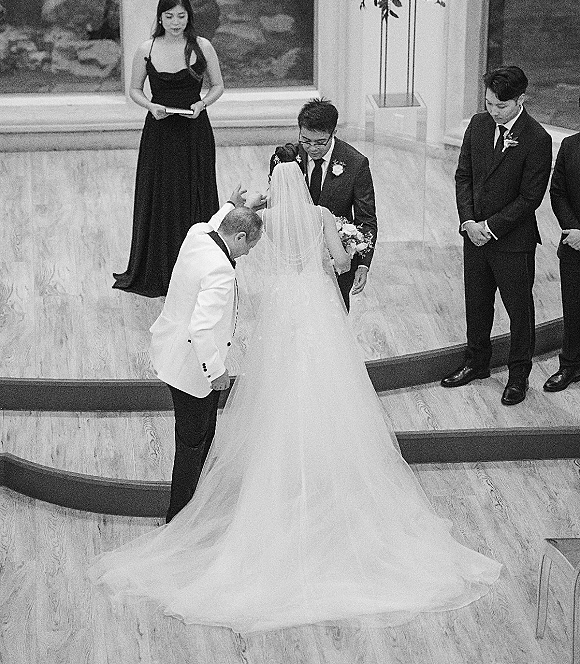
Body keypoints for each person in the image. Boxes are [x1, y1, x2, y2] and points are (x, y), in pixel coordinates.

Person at [90, 149, 501, 634]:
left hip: (281, 318)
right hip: (316, 313)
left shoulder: (251, 223)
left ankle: (252, 485)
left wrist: (242, 205)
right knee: (328, 395)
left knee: (273, 398)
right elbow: (342, 261)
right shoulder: (322, 214)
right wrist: (341, 246)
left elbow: (226, 224)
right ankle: (321, 476)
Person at [150, 186, 263, 523]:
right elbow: (200, 328)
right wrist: (215, 371)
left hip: (169, 352)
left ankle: (196, 504)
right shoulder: (220, 272)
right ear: (241, 237)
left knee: (201, 436)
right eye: (250, 247)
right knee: (192, 444)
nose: (247, 254)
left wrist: (233, 203)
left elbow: (216, 224)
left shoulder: (198, 234)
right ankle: (180, 518)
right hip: (192, 370)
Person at [441, 66, 552, 405]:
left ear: (521, 100)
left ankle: (519, 377)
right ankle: (477, 363)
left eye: (501, 106)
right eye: (489, 103)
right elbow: (464, 176)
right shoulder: (478, 124)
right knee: (476, 304)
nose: (493, 111)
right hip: (473, 235)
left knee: (520, 312)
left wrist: (490, 228)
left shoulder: (537, 139)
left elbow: (530, 197)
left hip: (512, 242)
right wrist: (469, 221)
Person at [113, 0, 224, 297]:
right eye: (169, 16)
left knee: (196, 192)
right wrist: (151, 106)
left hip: (194, 130)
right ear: (160, 18)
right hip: (160, 131)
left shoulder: (203, 46)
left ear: (188, 16)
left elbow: (217, 85)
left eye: (181, 16)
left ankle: (199, 271)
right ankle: (160, 268)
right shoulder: (146, 49)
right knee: (161, 194)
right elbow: (134, 90)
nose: (175, 22)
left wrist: (202, 104)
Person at [280, 97, 377, 311]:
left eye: (319, 142)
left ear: (333, 133)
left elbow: (366, 219)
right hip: (295, 255)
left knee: (334, 317)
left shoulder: (355, 163)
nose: (312, 148)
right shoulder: (288, 158)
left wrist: (363, 263)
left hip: (336, 258)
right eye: (305, 140)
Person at [544, 101, 580, 392]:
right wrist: (574, 229)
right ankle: (570, 365)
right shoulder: (569, 146)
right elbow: (558, 193)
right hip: (573, 245)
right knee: (573, 307)